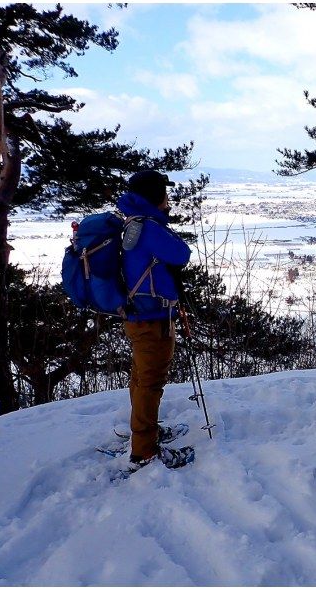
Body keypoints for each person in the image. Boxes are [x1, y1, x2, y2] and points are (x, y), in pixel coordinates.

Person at [117, 170, 193, 471]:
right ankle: (144, 450)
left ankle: (144, 434)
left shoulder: (131, 222)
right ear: (155, 196)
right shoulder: (147, 227)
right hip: (152, 318)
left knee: (140, 377)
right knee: (150, 382)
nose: (168, 199)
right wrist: (162, 221)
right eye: (164, 194)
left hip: (138, 314)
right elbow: (180, 254)